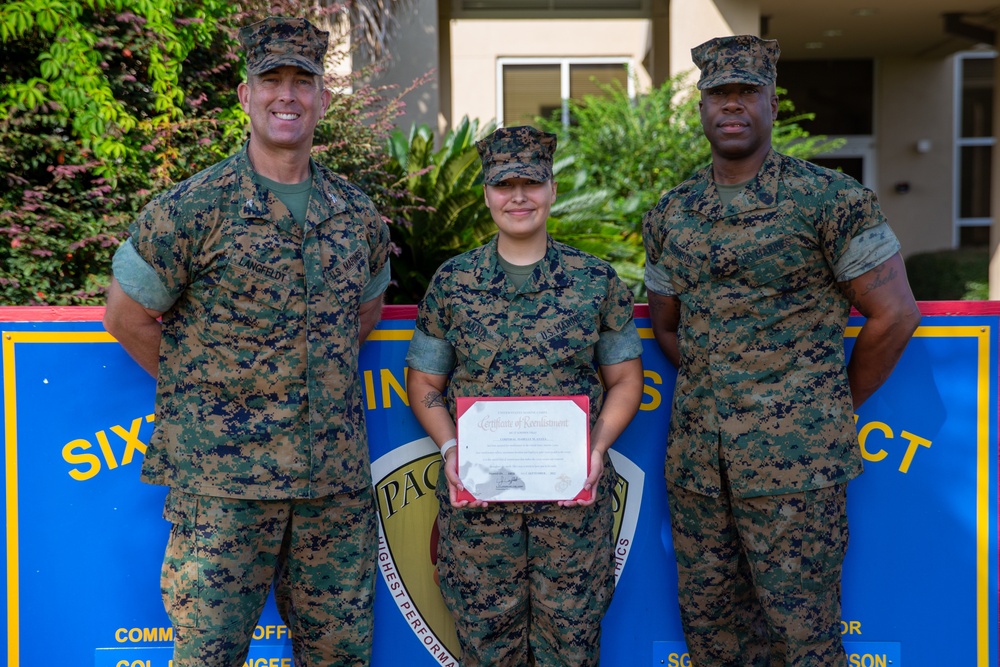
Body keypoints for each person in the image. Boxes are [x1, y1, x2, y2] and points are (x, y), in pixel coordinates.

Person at [102, 16, 391, 667]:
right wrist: (208, 394)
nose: (286, 95)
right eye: (271, 80)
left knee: (340, 654)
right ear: (245, 94)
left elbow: (364, 312)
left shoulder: (356, 214)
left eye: (301, 81)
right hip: (223, 485)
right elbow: (125, 315)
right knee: (209, 655)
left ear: (322, 97)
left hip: (330, 486)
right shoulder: (193, 209)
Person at [642, 35, 921, 666]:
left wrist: (824, 402)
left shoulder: (829, 200)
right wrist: (725, 390)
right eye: (719, 93)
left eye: (747, 92)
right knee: (711, 637)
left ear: (771, 101)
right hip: (698, 472)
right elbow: (667, 327)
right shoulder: (672, 214)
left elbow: (895, 314)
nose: (732, 105)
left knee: (804, 642)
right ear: (703, 106)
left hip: (797, 472)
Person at [405, 126, 645, 666]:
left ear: (552, 190)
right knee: (487, 649)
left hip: (571, 512)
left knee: (571, 647)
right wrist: (450, 448)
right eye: (503, 184)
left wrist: (597, 447)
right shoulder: (453, 283)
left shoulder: (594, 280)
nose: (518, 197)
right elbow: (424, 385)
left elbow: (626, 380)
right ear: (487, 193)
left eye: (531, 183)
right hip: (481, 515)